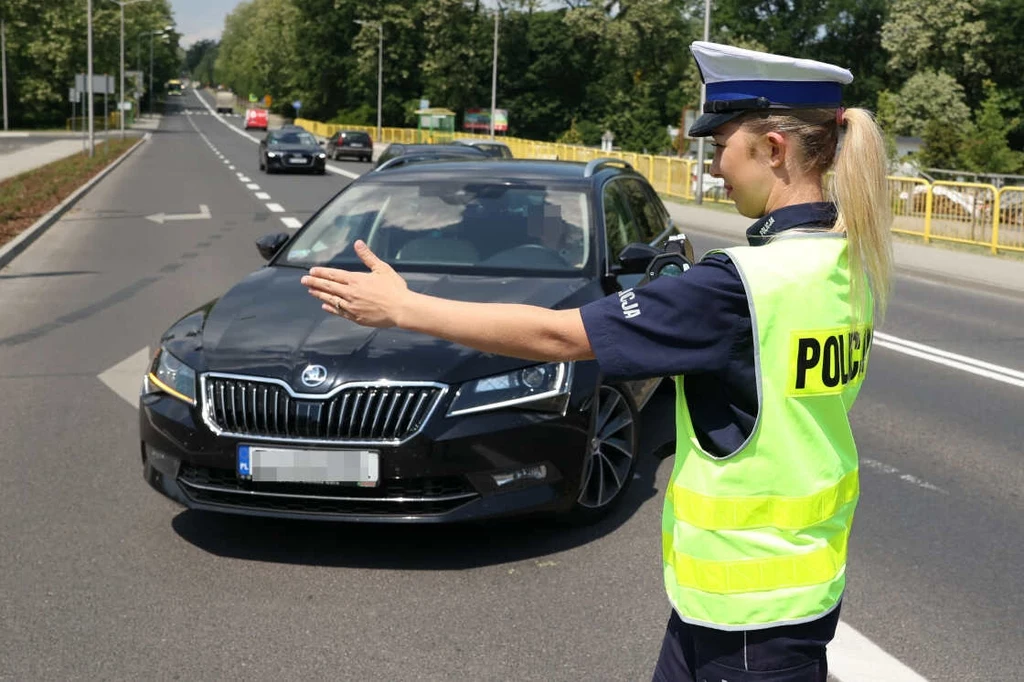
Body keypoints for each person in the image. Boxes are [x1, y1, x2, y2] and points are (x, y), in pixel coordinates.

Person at [301, 40, 892, 682]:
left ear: (773, 149)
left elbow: (561, 337)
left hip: (747, 620)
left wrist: (403, 308)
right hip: (778, 592)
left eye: (721, 142)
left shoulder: (738, 285)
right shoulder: (844, 260)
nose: (713, 164)